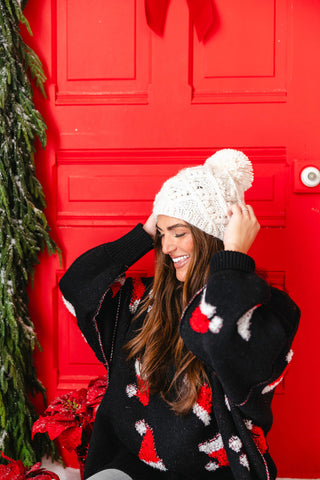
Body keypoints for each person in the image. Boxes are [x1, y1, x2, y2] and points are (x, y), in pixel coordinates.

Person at [59, 149, 300, 480]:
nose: (167, 247)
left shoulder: (268, 309)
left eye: (179, 232)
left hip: (215, 474)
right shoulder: (145, 300)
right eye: (162, 234)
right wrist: (146, 232)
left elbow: (209, 332)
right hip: (132, 464)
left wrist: (232, 256)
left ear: (213, 236)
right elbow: (77, 286)